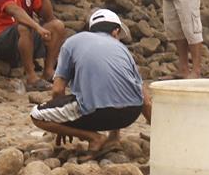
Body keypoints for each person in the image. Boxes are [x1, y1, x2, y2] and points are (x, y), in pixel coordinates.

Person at [30, 9, 151, 157]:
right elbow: (145, 100)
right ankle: (114, 138)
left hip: (97, 113)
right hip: (130, 113)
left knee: (36, 115)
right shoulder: (123, 50)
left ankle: (94, 138)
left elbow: (57, 90)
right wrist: (159, 134)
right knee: (115, 86)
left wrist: (60, 123)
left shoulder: (73, 42)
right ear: (115, 32)